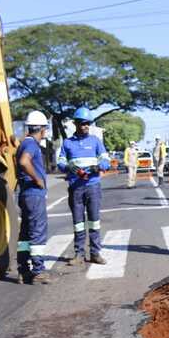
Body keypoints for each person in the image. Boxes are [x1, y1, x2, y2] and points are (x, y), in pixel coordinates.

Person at [57, 107, 111, 265]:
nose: (85, 126)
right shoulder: (67, 143)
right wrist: (69, 168)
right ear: (75, 124)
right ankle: (79, 254)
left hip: (93, 186)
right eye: (82, 123)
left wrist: (98, 167)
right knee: (78, 222)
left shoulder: (95, 141)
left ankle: (95, 253)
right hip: (76, 188)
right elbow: (60, 162)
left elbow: (106, 161)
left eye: (88, 123)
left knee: (94, 221)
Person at [16, 110, 52, 284]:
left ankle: (23, 270)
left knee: (25, 233)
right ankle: (38, 271)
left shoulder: (23, 143)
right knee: (37, 232)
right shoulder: (31, 145)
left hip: (24, 194)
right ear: (43, 130)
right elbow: (24, 161)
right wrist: (38, 179)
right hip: (34, 194)